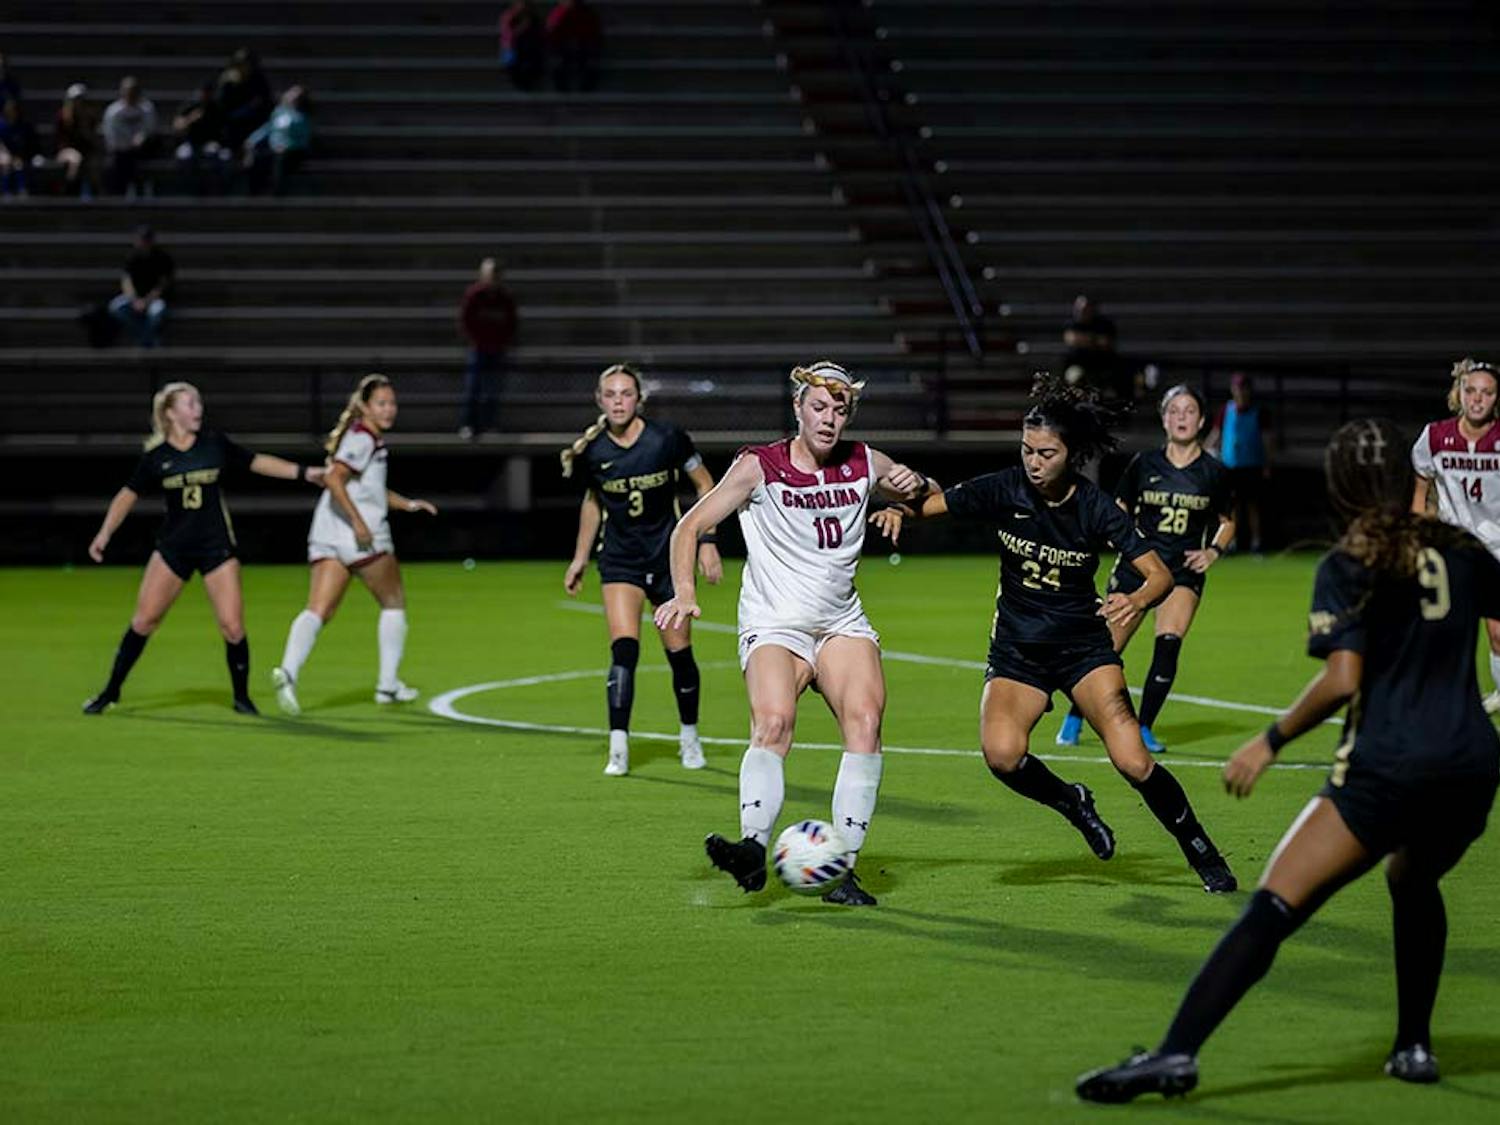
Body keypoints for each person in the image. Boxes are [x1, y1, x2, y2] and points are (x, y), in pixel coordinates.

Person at [1077, 418, 1500, 1102]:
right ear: (1406, 478)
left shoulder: (1349, 561)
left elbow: (1341, 677)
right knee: (1414, 880)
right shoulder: (1462, 549)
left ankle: (1176, 1053)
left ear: (1336, 487)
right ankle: (1414, 1046)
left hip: (1387, 768)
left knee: (1273, 904)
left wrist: (1268, 741)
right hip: (1472, 769)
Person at [896, 373, 1236, 893]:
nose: (1034, 462)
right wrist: (899, 508)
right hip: (1017, 653)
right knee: (1002, 755)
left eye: (1046, 453)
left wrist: (1136, 600)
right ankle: (1072, 802)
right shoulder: (1004, 487)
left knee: (1133, 760)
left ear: (1070, 454)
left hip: (1082, 650)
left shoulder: (1096, 507)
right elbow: (930, 505)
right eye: (1028, 449)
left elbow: (1160, 575)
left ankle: (1201, 850)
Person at [654, 361, 930, 906]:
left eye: (840, 409)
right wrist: (684, 593)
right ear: (799, 408)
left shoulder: (864, 461)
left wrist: (910, 492)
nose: (830, 420)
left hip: (839, 623)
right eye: (819, 407)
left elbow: (925, 490)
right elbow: (690, 525)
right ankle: (752, 850)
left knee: (866, 722)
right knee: (775, 721)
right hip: (775, 622)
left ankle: (843, 867)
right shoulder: (760, 466)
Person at [83, 383, 324, 715]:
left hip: (216, 548)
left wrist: (305, 472)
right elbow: (127, 494)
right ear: (170, 413)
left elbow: (256, 462)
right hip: (174, 548)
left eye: (198, 402)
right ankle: (110, 692)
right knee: (144, 621)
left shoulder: (213, 444)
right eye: (189, 403)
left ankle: (241, 698)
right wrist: (104, 533)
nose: (198, 408)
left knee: (233, 626)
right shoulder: (158, 457)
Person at [561, 364, 722, 775]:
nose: (618, 401)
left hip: (669, 559)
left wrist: (706, 541)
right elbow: (592, 503)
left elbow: (706, 485)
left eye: (626, 394)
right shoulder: (592, 451)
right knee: (624, 651)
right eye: (610, 394)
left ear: (639, 399)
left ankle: (690, 737)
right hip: (620, 561)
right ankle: (619, 746)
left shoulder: (667, 439)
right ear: (599, 400)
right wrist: (580, 558)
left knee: (679, 654)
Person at [1057, 385, 1235, 752]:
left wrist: (1213, 551)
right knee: (1106, 648)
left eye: (1189, 411)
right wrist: (1122, 537)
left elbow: (1227, 520)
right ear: (1164, 418)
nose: (1181, 417)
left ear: (1201, 420)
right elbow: (1119, 506)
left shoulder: (1214, 471)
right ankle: (1075, 716)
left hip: (1183, 572)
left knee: (1168, 645)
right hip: (1139, 569)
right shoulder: (1144, 464)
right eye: (1174, 411)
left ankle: (1144, 727)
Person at [272, 374, 436, 715]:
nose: (389, 410)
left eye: (392, 403)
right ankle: (388, 686)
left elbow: (367, 490)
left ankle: (287, 672)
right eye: (382, 403)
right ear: (364, 406)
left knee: (319, 610)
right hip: (360, 537)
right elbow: (334, 478)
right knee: (394, 602)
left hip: (328, 533)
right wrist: (360, 523)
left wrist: (406, 504)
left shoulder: (362, 438)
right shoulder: (362, 439)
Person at [1410, 357, 1500, 713]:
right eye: (1471, 390)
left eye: (1487, 393)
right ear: (1458, 392)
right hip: (1452, 547)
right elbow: (1420, 489)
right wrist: (1419, 538)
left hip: (1496, 547)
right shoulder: (1434, 437)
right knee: (1447, 631)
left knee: (1497, 632)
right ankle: (1446, 703)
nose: (1477, 399)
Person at [1206, 371, 1272, 553]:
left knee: (1252, 506)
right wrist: (1203, 453)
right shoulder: (1226, 411)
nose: (1241, 392)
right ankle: (1231, 542)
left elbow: (1267, 440)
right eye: (1238, 388)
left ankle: (1256, 542)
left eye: (1244, 388)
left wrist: (1267, 464)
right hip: (1230, 465)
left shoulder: (1259, 412)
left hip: (1251, 465)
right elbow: (1216, 434)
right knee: (1231, 508)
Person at [457, 258, 518, 440]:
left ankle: (490, 425)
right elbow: (465, 320)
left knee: (493, 389)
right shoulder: (475, 296)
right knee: (473, 388)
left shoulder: (505, 298)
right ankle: (468, 424)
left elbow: (512, 323)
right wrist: (475, 340)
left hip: (498, 349)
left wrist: (505, 342)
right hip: (479, 348)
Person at [108, 225, 174, 348]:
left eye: (146, 239)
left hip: (155, 299)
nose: (143, 242)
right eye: (141, 239)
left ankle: (145, 340)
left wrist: (147, 301)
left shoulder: (163, 258)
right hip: (134, 298)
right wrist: (134, 300)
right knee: (116, 307)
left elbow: (163, 284)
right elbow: (126, 281)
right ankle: (146, 338)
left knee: (157, 311)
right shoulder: (131, 257)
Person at [241, 85, 310, 196]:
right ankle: (254, 192)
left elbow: (303, 140)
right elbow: (268, 128)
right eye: (291, 93)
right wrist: (252, 140)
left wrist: (287, 146)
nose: (292, 97)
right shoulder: (279, 112)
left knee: (280, 161)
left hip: (292, 151)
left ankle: (277, 193)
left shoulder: (302, 117)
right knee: (256, 158)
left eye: (297, 95)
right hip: (274, 149)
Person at [101, 76, 157, 196]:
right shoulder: (113, 111)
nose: (131, 95)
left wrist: (141, 138)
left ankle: (142, 196)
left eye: (134, 91)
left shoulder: (146, 108)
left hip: (142, 151)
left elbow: (150, 129)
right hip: (121, 151)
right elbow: (110, 136)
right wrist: (128, 145)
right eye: (128, 91)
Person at [173, 81, 230, 194]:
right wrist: (191, 119)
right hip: (190, 143)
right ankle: (190, 191)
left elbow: (224, 131)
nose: (205, 96)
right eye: (204, 93)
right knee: (184, 156)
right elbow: (177, 127)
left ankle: (215, 191)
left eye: (208, 93)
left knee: (222, 157)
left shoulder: (216, 108)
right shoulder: (191, 106)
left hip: (210, 144)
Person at [1062, 295, 1121, 399]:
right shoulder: (1071, 323)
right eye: (1079, 309)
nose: (1082, 312)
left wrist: (1083, 340)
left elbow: (1106, 343)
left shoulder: (1104, 325)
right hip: (1077, 365)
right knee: (1073, 378)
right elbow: (1071, 339)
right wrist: (1094, 340)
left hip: (1101, 366)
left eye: (1085, 309)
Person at [216, 48, 273, 149]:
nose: (244, 67)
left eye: (247, 64)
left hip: (255, 122)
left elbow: (265, 102)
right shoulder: (228, 80)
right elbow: (223, 105)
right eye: (240, 64)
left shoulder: (259, 80)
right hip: (233, 123)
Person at [53, 83, 101, 199]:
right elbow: (61, 141)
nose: (78, 103)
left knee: (95, 164)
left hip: (86, 150)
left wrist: (85, 129)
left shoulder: (90, 117)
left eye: (81, 100)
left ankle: (96, 197)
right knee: (76, 159)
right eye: (75, 100)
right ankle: (69, 193)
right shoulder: (62, 116)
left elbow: (93, 139)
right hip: (66, 150)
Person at [546, 0, 603, 92]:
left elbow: (593, 34)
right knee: (558, 60)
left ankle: (586, 86)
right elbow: (551, 31)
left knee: (588, 60)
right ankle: (562, 87)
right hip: (564, 47)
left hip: (583, 46)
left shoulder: (586, 12)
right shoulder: (557, 12)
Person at [500, 1, 547, 91]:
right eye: (519, 3)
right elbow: (509, 36)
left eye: (524, 3)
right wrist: (523, 26)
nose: (522, 6)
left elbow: (540, 35)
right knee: (510, 57)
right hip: (513, 48)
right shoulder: (509, 16)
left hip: (530, 48)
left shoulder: (534, 17)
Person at [0, 97, 39, 198]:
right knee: (6, 162)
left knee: (18, 164)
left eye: (14, 111)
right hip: (4, 155)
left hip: (21, 156)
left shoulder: (25, 126)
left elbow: (31, 145)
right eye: (9, 111)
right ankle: (5, 192)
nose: (12, 113)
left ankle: (22, 190)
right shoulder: (1, 125)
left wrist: (20, 156)